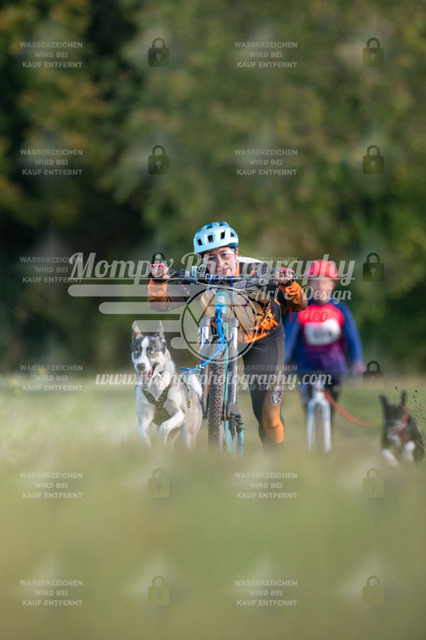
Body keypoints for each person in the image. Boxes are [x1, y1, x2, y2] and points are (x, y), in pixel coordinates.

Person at [148, 221, 307, 448]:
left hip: (263, 339)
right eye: (210, 258)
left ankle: (275, 460)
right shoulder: (200, 277)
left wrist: (288, 284)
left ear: (236, 252)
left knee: (268, 416)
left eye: (224, 255)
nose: (220, 264)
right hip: (219, 335)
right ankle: (211, 412)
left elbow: (299, 304)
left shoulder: (258, 272)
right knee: (206, 397)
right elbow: (160, 303)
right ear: (202, 260)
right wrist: (158, 280)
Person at [283, 259, 364, 422]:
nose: (320, 287)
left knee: (330, 413)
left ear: (332, 285)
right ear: (309, 285)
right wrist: (282, 362)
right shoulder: (300, 308)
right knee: (309, 410)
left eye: (324, 282)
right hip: (305, 367)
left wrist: (357, 361)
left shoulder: (341, 310)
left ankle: (328, 433)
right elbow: (288, 339)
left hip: (334, 367)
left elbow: (352, 337)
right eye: (315, 282)